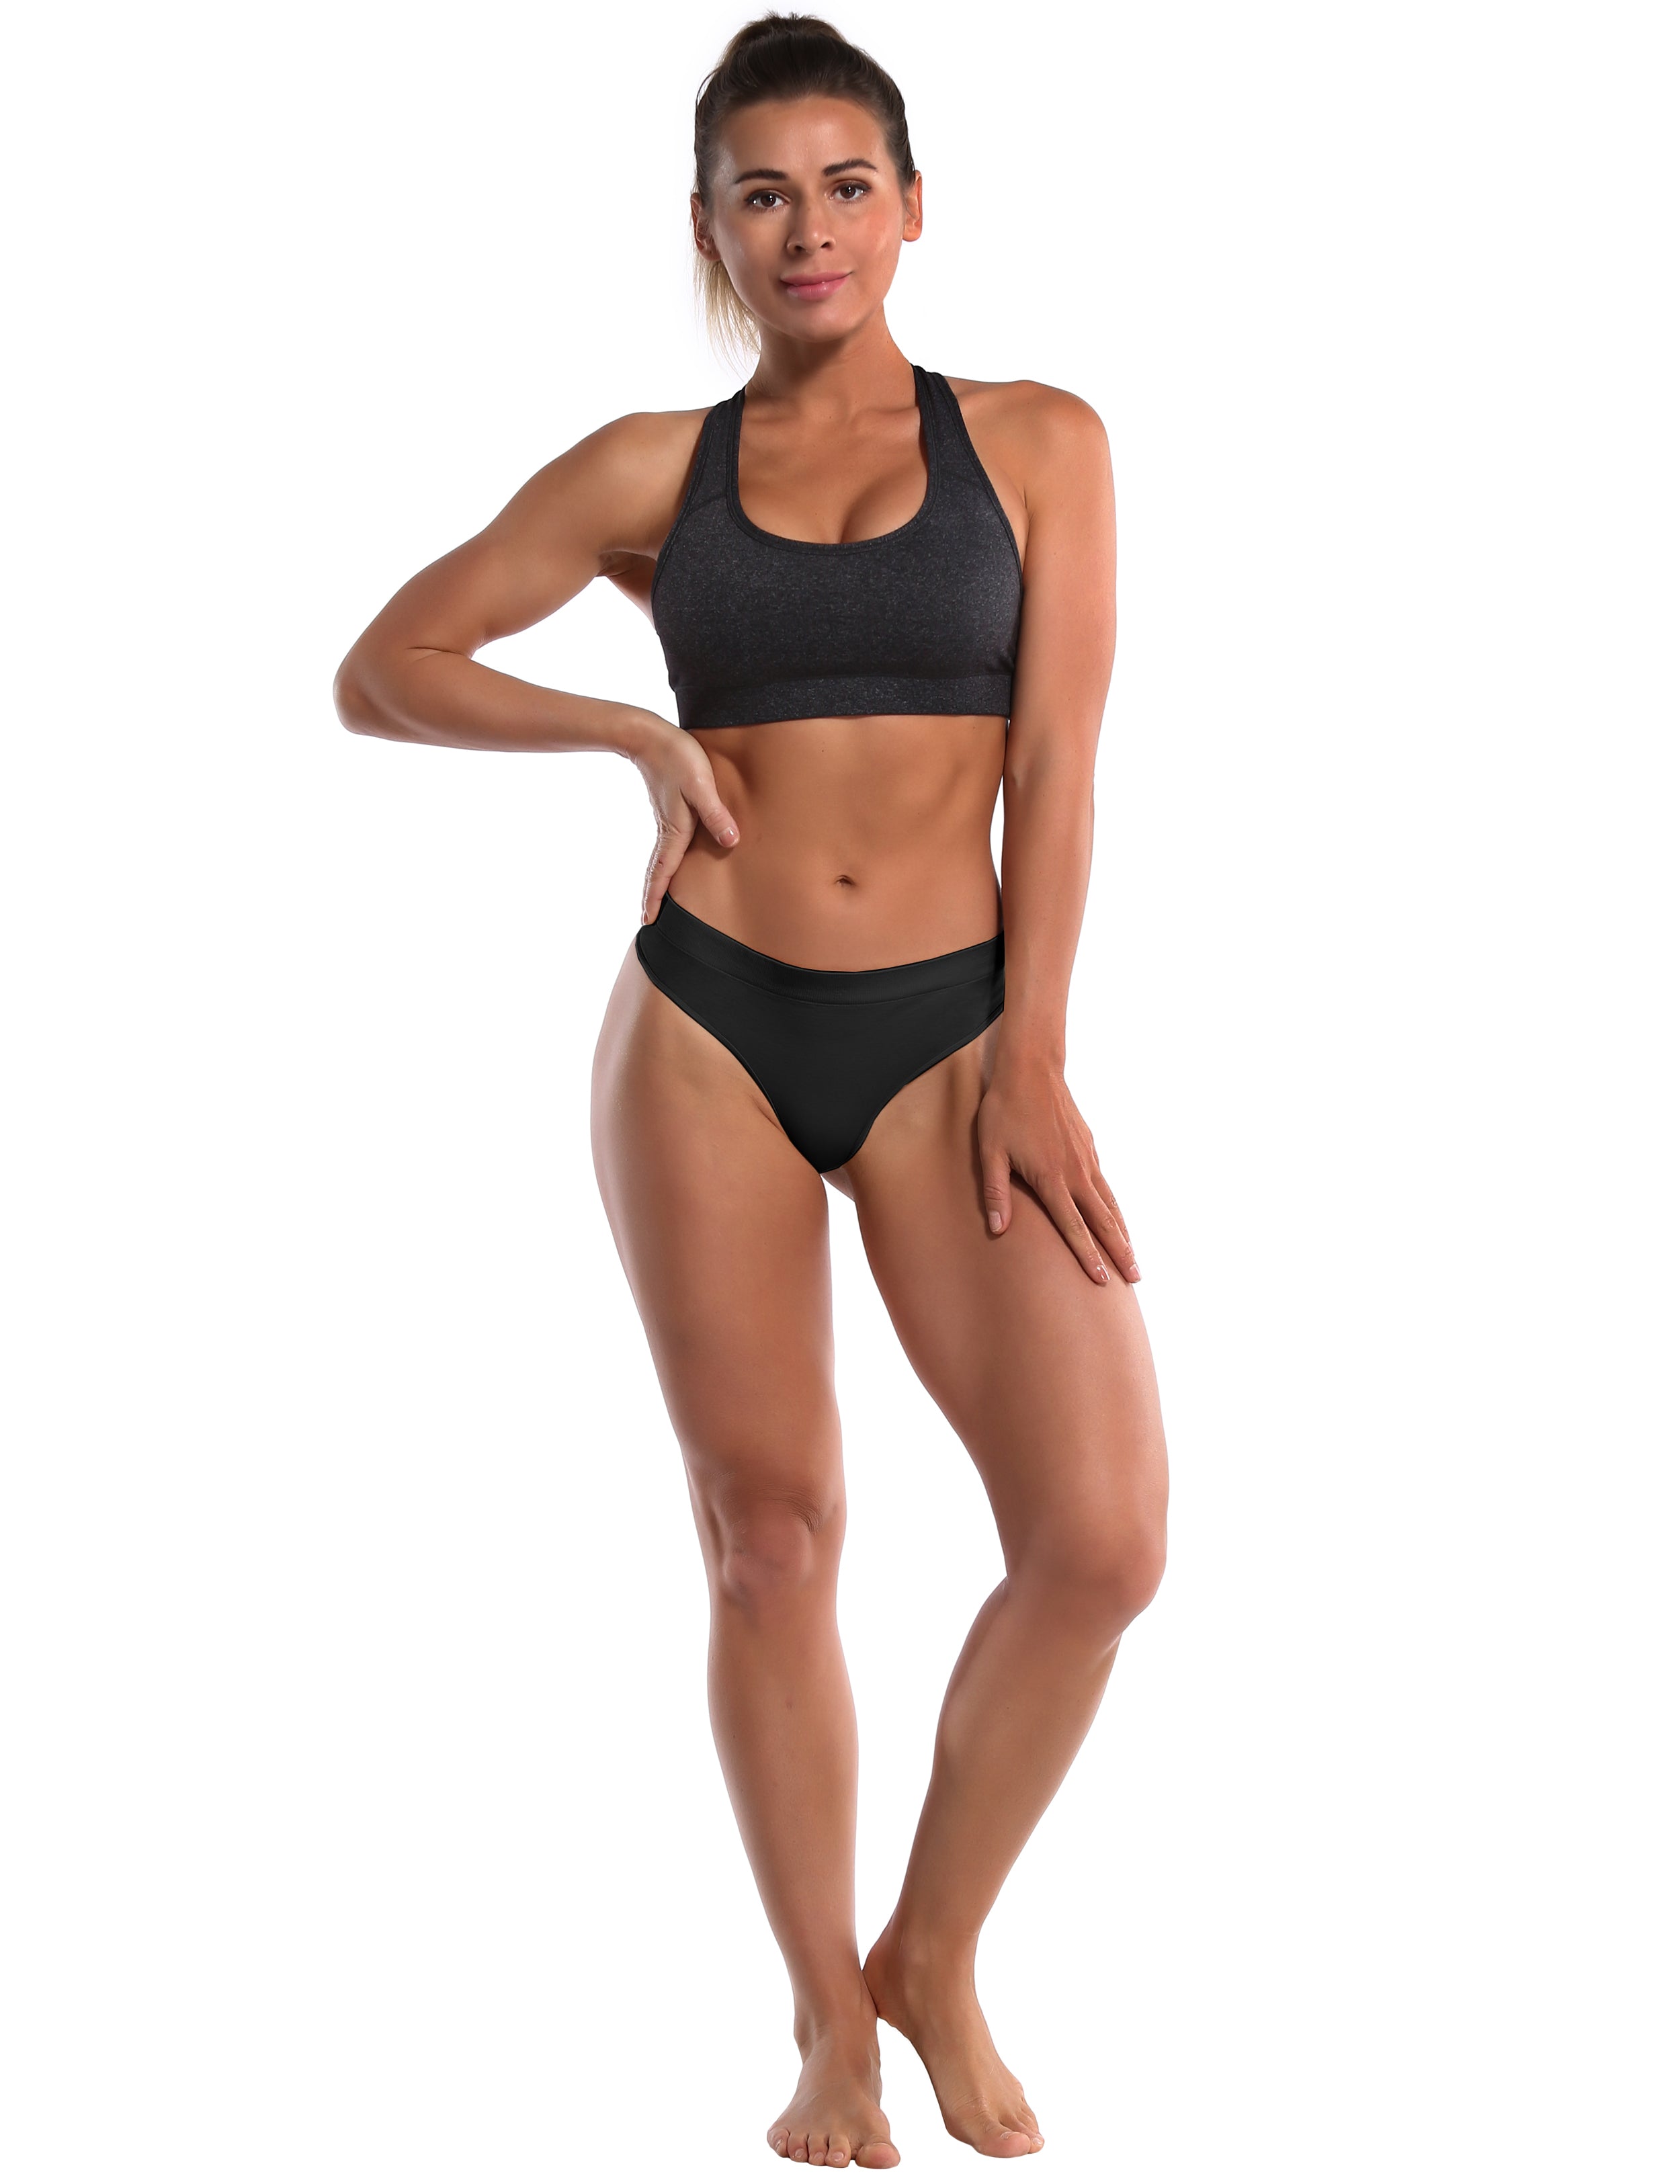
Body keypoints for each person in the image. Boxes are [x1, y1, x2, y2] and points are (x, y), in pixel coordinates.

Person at [333, 12, 1169, 2168]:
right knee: (769, 1534)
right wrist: (627, 733)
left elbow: (1061, 760)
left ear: (913, 207)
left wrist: (1035, 1051)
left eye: (845, 185)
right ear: (704, 227)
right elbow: (384, 666)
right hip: (704, 1025)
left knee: (1096, 1542)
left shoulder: (1041, 442)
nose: (808, 228)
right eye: (762, 194)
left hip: (956, 1036)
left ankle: (930, 1951)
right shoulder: (651, 471)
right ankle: (823, 2022)